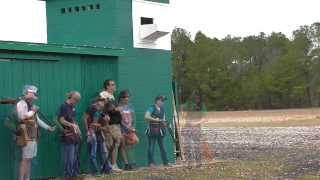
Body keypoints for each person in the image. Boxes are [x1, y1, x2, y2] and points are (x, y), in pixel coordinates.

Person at [16, 85, 55, 180]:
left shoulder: (30, 105)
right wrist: (33, 110)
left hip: (32, 136)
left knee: (29, 160)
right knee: (25, 160)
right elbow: (22, 117)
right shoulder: (21, 103)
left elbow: (37, 120)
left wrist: (48, 127)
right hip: (26, 136)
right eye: (33, 94)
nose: (34, 97)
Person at [100, 80, 125, 171]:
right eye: (112, 85)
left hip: (116, 124)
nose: (114, 86)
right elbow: (107, 109)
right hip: (110, 125)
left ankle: (112, 165)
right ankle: (111, 165)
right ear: (107, 87)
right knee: (111, 144)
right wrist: (117, 109)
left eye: (114, 84)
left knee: (115, 144)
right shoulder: (104, 95)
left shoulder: (111, 96)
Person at [84, 97, 112, 175]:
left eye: (104, 102)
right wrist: (88, 131)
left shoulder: (102, 112)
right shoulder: (92, 109)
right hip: (92, 134)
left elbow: (106, 126)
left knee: (103, 152)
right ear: (97, 102)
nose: (103, 103)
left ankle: (107, 169)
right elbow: (86, 120)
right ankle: (95, 171)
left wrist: (103, 124)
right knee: (93, 153)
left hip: (99, 134)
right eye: (102, 102)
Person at [58, 91, 82, 180]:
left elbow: (74, 120)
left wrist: (78, 130)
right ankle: (68, 175)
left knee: (75, 156)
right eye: (76, 100)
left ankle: (74, 174)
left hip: (75, 135)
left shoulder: (73, 107)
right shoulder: (64, 106)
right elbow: (61, 120)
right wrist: (71, 125)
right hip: (68, 135)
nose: (76, 103)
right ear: (72, 98)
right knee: (70, 157)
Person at [144, 95, 169, 167]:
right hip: (152, 130)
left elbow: (163, 119)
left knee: (162, 146)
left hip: (160, 130)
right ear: (157, 101)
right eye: (162, 100)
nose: (163, 102)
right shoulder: (151, 108)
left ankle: (166, 162)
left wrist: (165, 124)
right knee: (151, 146)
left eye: (163, 101)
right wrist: (156, 120)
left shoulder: (162, 109)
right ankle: (150, 163)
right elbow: (146, 116)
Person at [118, 90, 138, 169]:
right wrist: (127, 128)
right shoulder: (118, 106)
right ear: (121, 98)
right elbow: (119, 120)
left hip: (130, 130)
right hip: (122, 129)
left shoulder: (130, 106)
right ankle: (127, 164)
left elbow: (134, 118)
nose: (127, 99)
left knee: (133, 142)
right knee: (123, 146)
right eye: (125, 97)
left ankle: (131, 162)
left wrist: (133, 127)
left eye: (128, 97)